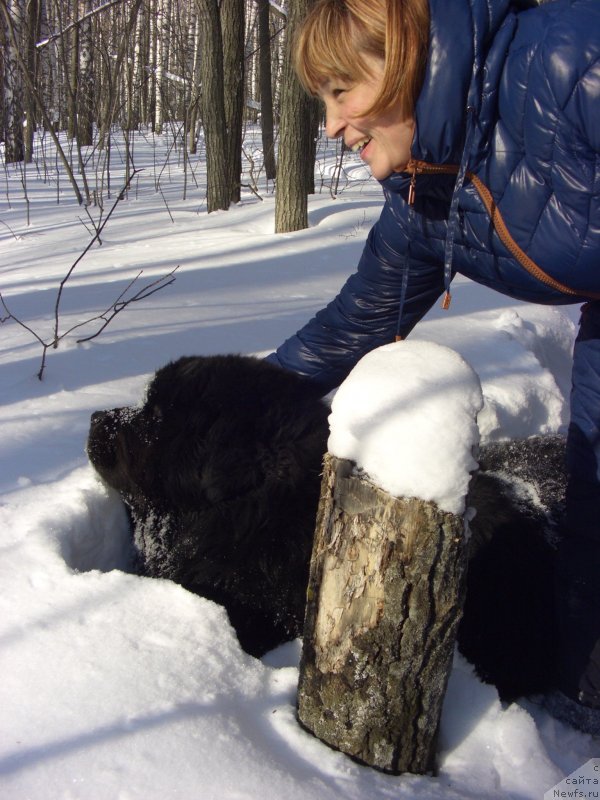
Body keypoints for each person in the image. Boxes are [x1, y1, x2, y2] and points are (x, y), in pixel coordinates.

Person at [265, 0, 600, 734]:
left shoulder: (571, 65)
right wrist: (240, 398)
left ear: (404, 59)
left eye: (340, 92)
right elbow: (355, 322)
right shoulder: (426, 194)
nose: (330, 127)